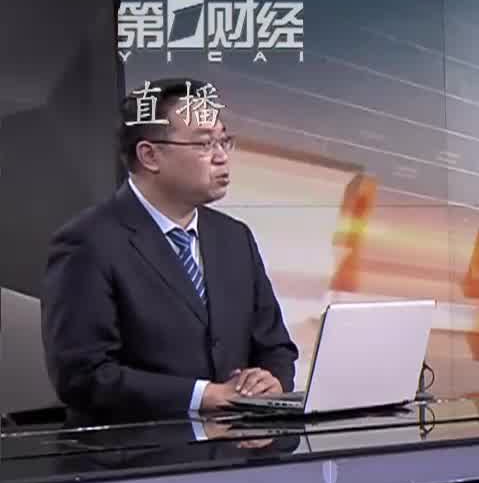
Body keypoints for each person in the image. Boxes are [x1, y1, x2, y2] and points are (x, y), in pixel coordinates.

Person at [43, 78, 297, 424]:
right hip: (137, 449)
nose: (221, 157)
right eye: (204, 144)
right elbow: (83, 376)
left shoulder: (234, 237)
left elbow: (275, 346)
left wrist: (272, 381)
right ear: (149, 155)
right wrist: (203, 396)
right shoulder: (88, 242)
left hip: (239, 445)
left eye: (224, 140)